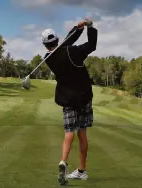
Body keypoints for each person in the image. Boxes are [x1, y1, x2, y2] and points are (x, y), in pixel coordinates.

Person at [41, 19, 97, 185]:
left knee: (69, 132)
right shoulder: (74, 52)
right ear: (57, 40)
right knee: (82, 133)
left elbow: (66, 42)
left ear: (45, 45)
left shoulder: (48, 58)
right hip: (84, 96)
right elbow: (92, 45)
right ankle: (81, 171)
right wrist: (90, 27)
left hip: (67, 98)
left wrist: (77, 29)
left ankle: (63, 161)